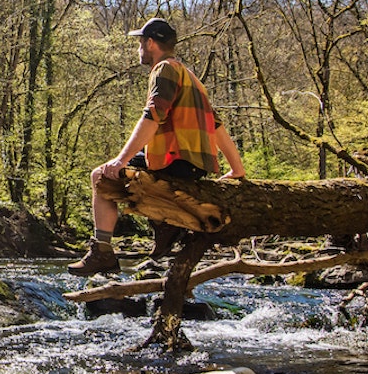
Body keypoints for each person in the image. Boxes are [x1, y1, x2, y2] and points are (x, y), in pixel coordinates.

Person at [68, 17, 245, 276]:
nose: (139, 49)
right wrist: (237, 169)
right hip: (196, 167)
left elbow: (153, 115)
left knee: (101, 177)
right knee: (141, 175)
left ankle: (102, 252)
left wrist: (119, 160)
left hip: (175, 159)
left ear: (150, 43)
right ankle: (165, 228)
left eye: (140, 43)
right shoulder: (193, 80)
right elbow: (216, 126)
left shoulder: (164, 69)